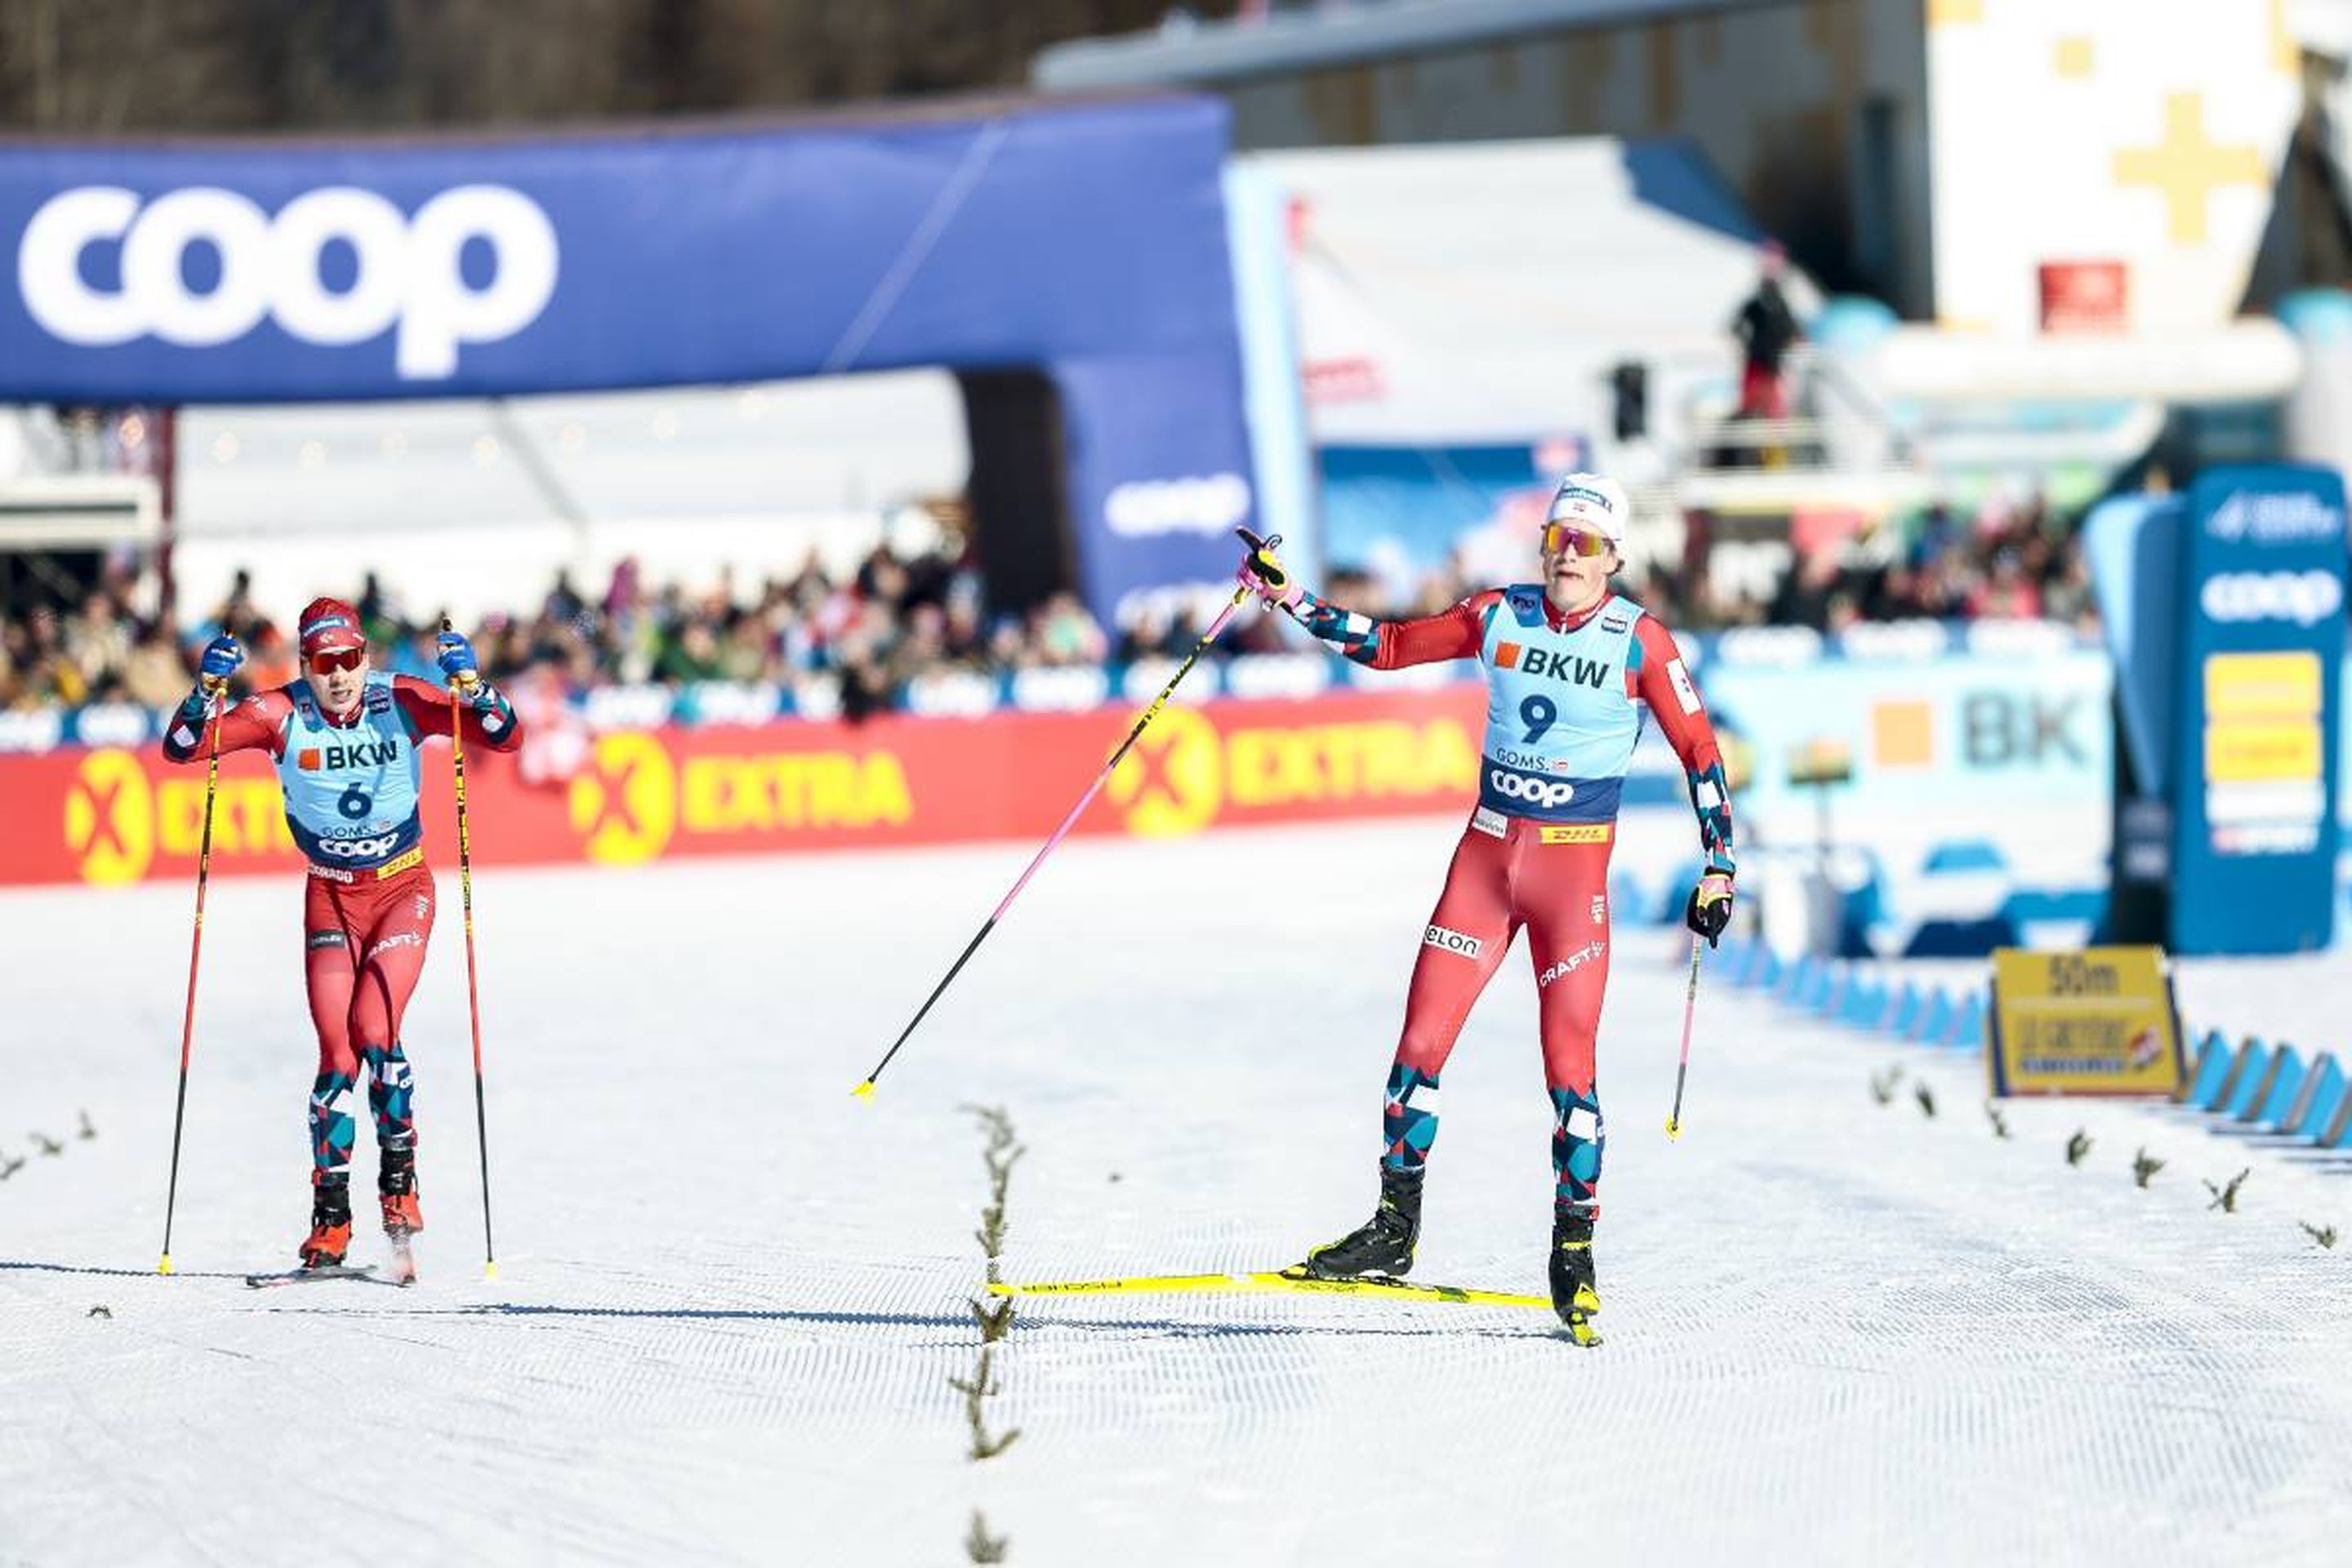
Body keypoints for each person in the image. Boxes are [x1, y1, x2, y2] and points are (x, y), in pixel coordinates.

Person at [1238, 474, 1737, 1343]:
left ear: (1616, 558)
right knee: (1416, 1050)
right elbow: (1387, 646)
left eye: (1586, 543)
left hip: (1570, 880)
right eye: (1557, 539)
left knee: (1570, 1077)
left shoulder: (1642, 643)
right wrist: (1292, 600)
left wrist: (1721, 863)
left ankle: (1574, 1253)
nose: (1568, 555)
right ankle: (1394, 1232)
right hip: (1484, 860)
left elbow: (1698, 748)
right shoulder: (1495, 613)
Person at [159, 598, 522, 1272]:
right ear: (306, 664)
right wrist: (203, 691)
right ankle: (330, 1218)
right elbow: (184, 748)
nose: (340, 676)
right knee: (335, 1060)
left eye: (351, 660)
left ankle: (399, 1185)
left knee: (375, 1034)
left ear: (366, 657)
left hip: (402, 889)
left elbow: (502, 736)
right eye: (325, 663)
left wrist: (475, 686)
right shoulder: (277, 713)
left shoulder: (402, 700)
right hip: (329, 895)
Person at [1731, 240, 1802, 428]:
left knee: (1772, 408)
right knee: (1758, 404)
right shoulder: (1759, 305)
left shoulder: (1775, 305)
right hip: (1762, 361)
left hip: (1769, 362)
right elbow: (1736, 327)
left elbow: (1790, 329)